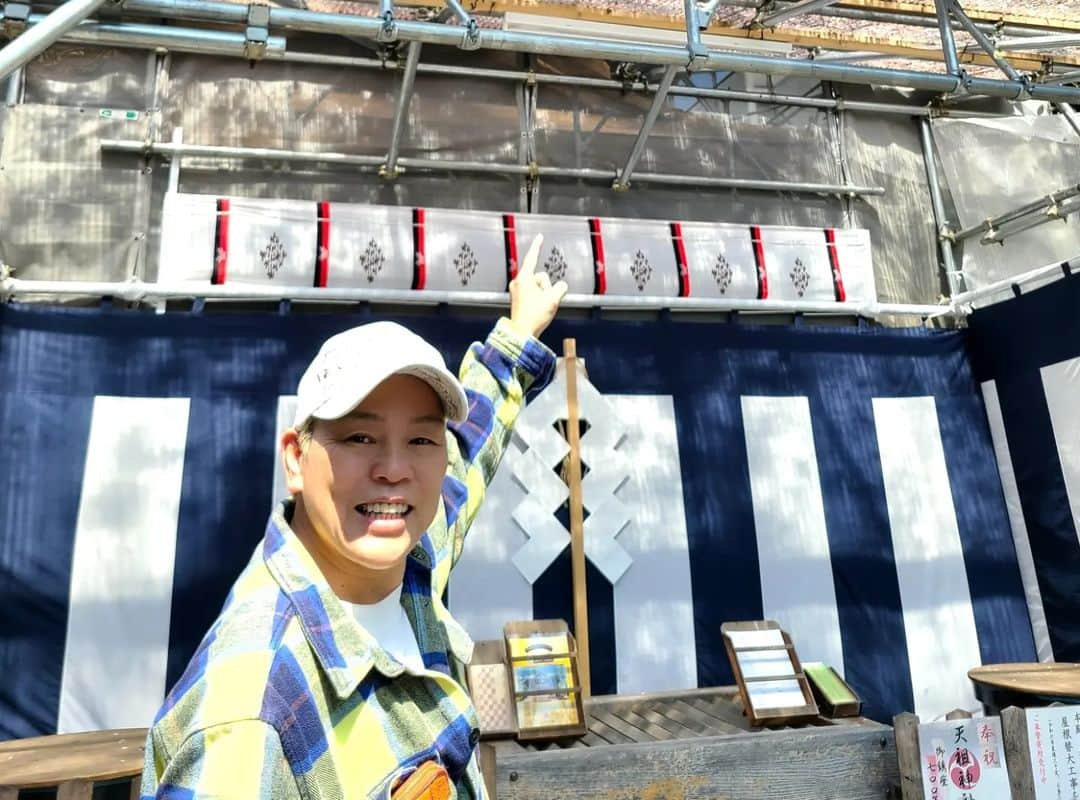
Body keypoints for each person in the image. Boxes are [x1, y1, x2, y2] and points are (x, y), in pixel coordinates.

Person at [140, 235, 566, 799]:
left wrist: (517, 333)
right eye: (359, 436)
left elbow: (467, 451)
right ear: (296, 456)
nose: (395, 469)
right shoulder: (250, 710)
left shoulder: (409, 558)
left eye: (419, 439)